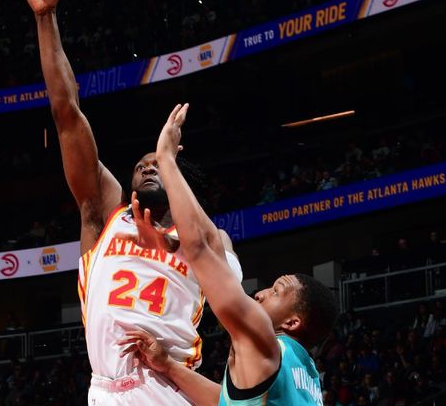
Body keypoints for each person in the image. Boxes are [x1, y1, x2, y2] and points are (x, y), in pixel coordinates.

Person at [2, 0, 241, 405]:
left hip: (170, 385)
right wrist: (45, 17)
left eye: (159, 164)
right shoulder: (104, 215)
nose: (148, 166)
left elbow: (231, 293)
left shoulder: (208, 242)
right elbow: (67, 113)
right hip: (106, 390)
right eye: (141, 165)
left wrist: (173, 243)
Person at [119, 104, 339, 405]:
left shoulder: (263, 340)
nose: (260, 294)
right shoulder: (306, 373)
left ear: (292, 322)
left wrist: (167, 160)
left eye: (276, 292)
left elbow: (199, 248)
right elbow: (225, 400)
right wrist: (168, 365)